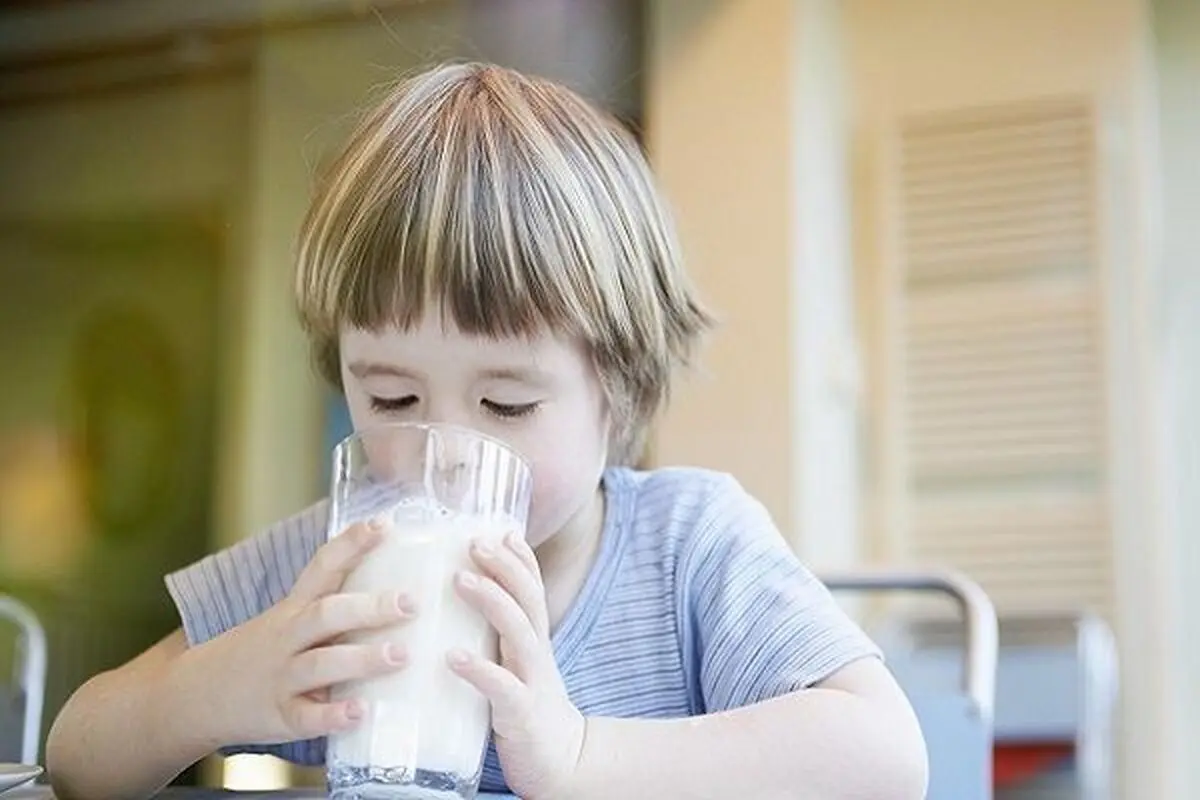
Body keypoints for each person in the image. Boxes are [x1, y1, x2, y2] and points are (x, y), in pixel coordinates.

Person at [46, 62, 928, 800]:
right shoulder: (338, 569)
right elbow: (78, 754)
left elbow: (885, 758)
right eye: (392, 399)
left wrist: (582, 755)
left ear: (617, 389)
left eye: (505, 406)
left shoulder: (687, 549)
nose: (442, 452)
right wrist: (211, 692)